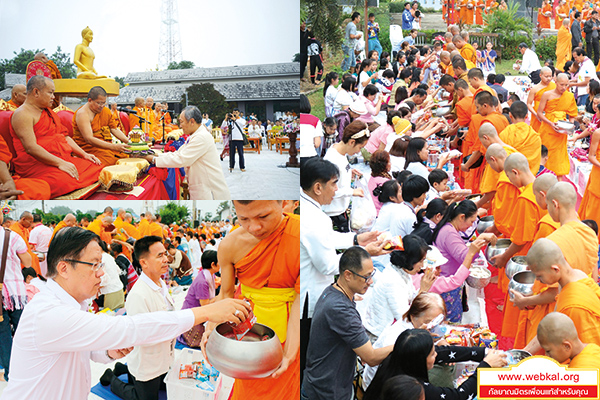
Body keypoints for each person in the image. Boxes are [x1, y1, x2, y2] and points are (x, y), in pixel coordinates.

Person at [1, 227, 250, 399]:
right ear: (64, 268)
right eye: (95, 264)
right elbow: (131, 328)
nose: (103, 273)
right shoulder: (48, 312)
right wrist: (205, 312)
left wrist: (107, 351)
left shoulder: (70, 305)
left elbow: (82, 348)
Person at [200, 201, 300, 399]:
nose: (254, 227)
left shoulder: (299, 234)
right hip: (247, 328)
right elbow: (226, 294)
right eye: (244, 219)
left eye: (263, 217)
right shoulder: (230, 244)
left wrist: (289, 354)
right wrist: (210, 328)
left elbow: (299, 299)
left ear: (283, 203)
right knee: (248, 387)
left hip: (291, 327)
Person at [300, 158, 387, 381]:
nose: (337, 190)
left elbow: (327, 239)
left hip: (314, 290)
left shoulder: (311, 210)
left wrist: (356, 239)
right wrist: (364, 254)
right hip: (310, 298)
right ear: (318, 187)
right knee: (312, 356)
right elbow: (327, 264)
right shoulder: (314, 218)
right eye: (334, 184)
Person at [301, 247, 394, 400]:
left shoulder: (334, 291)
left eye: (371, 275)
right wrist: (402, 343)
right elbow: (370, 357)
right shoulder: (340, 309)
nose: (370, 282)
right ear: (348, 275)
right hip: (326, 393)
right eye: (365, 277)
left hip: (323, 385)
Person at [102, 236, 180, 399]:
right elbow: (143, 335)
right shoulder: (138, 295)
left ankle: (124, 369)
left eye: (165, 254)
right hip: (147, 362)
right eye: (159, 256)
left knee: (167, 387)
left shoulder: (161, 284)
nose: (166, 259)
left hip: (164, 357)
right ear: (144, 263)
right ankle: (112, 378)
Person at [9, 76, 104, 198]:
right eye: (50, 92)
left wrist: (84, 154)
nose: (53, 97)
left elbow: (64, 136)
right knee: (64, 180)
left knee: (97, 166)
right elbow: (31, 148)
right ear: (36, 92)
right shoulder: (23, 114)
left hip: (60, 158)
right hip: (37, 164)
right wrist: (60, 163)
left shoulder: (48, 112)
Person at [363, 329, 507, 400]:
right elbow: (458, 397)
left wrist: (483, 352)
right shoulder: (414, 388)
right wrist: (485, 368)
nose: (437, 354)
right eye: (432, 354)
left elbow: (444, 352)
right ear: (419, 360)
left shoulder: (401, 356)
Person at [523, 238, 600, 354]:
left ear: (555, 269)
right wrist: (526, 351)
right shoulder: (576, 275)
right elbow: (552, 325)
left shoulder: (575, 306)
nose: (538, 280)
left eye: (539, 276)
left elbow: (589, 352)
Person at [513, 174, 560, 352]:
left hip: (550, 304)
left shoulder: (549, 226)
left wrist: (527, 300)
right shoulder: (581, 229)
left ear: (543, 195)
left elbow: (554, 288)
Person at [362, 293, 446, 389]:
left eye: (437, 322)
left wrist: (440, 341)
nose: (433, 326)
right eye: (428, 322)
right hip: (381, 387)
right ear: (413, 316)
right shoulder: (398, 336)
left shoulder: (418, 327)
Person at [143, 106, 230, 199]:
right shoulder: (194, 135)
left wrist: (152, 159)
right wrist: (154, 153)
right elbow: (178, 153)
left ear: (192, 121)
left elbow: (181, 159)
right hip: (201, 187)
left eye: (181, 122)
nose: (180, 126)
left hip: (209, 191)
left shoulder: (201, 137)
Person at [362, 235, 437, 341]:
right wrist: (423, 289)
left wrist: (423, 289)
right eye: (420, 261)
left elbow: (409, 301)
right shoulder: (392, 280)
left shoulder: (401, 272)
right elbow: (405, 317)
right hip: (379, 337)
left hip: (389, 331)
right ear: (410, 260)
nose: (422, 265)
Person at [0, 211, 32, 381]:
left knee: (3, 335)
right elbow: (27, 263)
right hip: (15, 293)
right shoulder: (12, 236)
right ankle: (28, 367)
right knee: (22, 330)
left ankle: (11, 374)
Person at [322, 120, 369, 232]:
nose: (359, 152)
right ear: (352, 142)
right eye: (360, 147)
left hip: (340, 209)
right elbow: (327, 190)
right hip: (333, 213)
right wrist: (352, 192)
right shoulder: (332, 160)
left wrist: (349, 172)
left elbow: (339, 173)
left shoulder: (338, 150)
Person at [72, 86, 130, 166]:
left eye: (104, 103)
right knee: (111, 162)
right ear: (90, 100)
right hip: (89, 149)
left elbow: (114, 129)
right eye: (99, 103)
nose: (102, 106)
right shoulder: (83, 114)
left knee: (128, 155)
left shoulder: (105, 111)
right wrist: (113, 147)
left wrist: (129, 142)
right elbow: (89, 139)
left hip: (105, 146)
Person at [537, 73, 578, 178]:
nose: (564, 88)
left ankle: (558, 179)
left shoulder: (569, 96)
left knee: (559, 156)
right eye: (561, 85)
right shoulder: (547, 94)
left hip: (561, 131)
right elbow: (540, 113)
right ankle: (544, 177)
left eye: (566, 85)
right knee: (547, 154)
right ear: (555, 82)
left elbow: (572, 114)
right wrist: (550, 123)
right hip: (547, 129)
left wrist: (570, 125)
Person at [178, 250, 220, 347]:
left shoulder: (209, 275)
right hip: (191, 315)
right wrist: (220, 296)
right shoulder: (202, 282)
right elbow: (205, 305)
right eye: (219, 262)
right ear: (213, 264)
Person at [499, 101, 542, 176]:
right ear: (526, 116)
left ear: (510, 115)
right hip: (527, 179)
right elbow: (535, 162)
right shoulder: (535, 136)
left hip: (509, 177)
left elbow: (501, 158)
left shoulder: (505, 134)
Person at [527, 67, 555, 132]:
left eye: (550, 76)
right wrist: (536, 114)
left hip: (551, 115)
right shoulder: (535, 89)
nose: (549, 78)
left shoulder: (554, 86)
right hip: (537, 115)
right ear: (540, 75)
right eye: (546, 76)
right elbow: (529, 104)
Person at [224, 109, 247, 173]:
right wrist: (226, 118)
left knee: (241, 153)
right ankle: (231, 166)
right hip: (232, 139)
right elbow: (224, 125)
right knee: (231, 153)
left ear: (239, 113)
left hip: (239, 139)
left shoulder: (242, 120)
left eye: (236, 113)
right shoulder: (230, 120)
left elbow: (243, 124)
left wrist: (235, 119)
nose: (235, 114)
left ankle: (242, 167)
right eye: (234, 112)